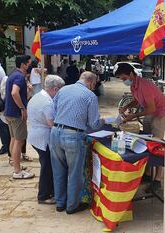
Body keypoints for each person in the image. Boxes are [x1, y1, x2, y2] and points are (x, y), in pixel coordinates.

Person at [50, 71, 104, 214]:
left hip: (55, 132)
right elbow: (93, 124)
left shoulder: (63, 90)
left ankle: (60, 203)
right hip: (73, 136)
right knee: (75, 173)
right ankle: (72, 206)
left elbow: (53, 111)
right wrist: (103, 121)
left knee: (58, 170)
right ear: (91, 82)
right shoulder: (90, 96)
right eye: (94, 84)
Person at [115, 63, 165, 193]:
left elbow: (152, 108)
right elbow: (137, 101)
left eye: (123, 78)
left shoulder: (144, 85)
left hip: (159, 114)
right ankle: (148, 174)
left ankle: (157, 179)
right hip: (150, 113)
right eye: (121, 79)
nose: (123, 81)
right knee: (146, 143)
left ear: (131, 74)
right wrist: (126, 107)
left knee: (157, 145)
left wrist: (134, 115)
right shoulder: (134, 85)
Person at [28, 75, 65, 205]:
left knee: (46, 165)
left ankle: (49, 191)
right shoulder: (47, 102)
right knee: (47, 167)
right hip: (43, 137)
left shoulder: (38, 96)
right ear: (55, 89)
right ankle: (43, 195)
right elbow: (52, 123)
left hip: (35, 135)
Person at [4, 55, 35, 179]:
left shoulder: (13, 74)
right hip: (17, 114)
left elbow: (20, 95)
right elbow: (14, 92)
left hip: (9, 112)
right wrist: (22, 108)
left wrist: (29, 91)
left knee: (13, 138)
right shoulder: (19, 76)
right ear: (23, 64)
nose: (29, 65)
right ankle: (17, 171)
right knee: (19, 141)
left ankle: (14, 163)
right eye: (28, 63)